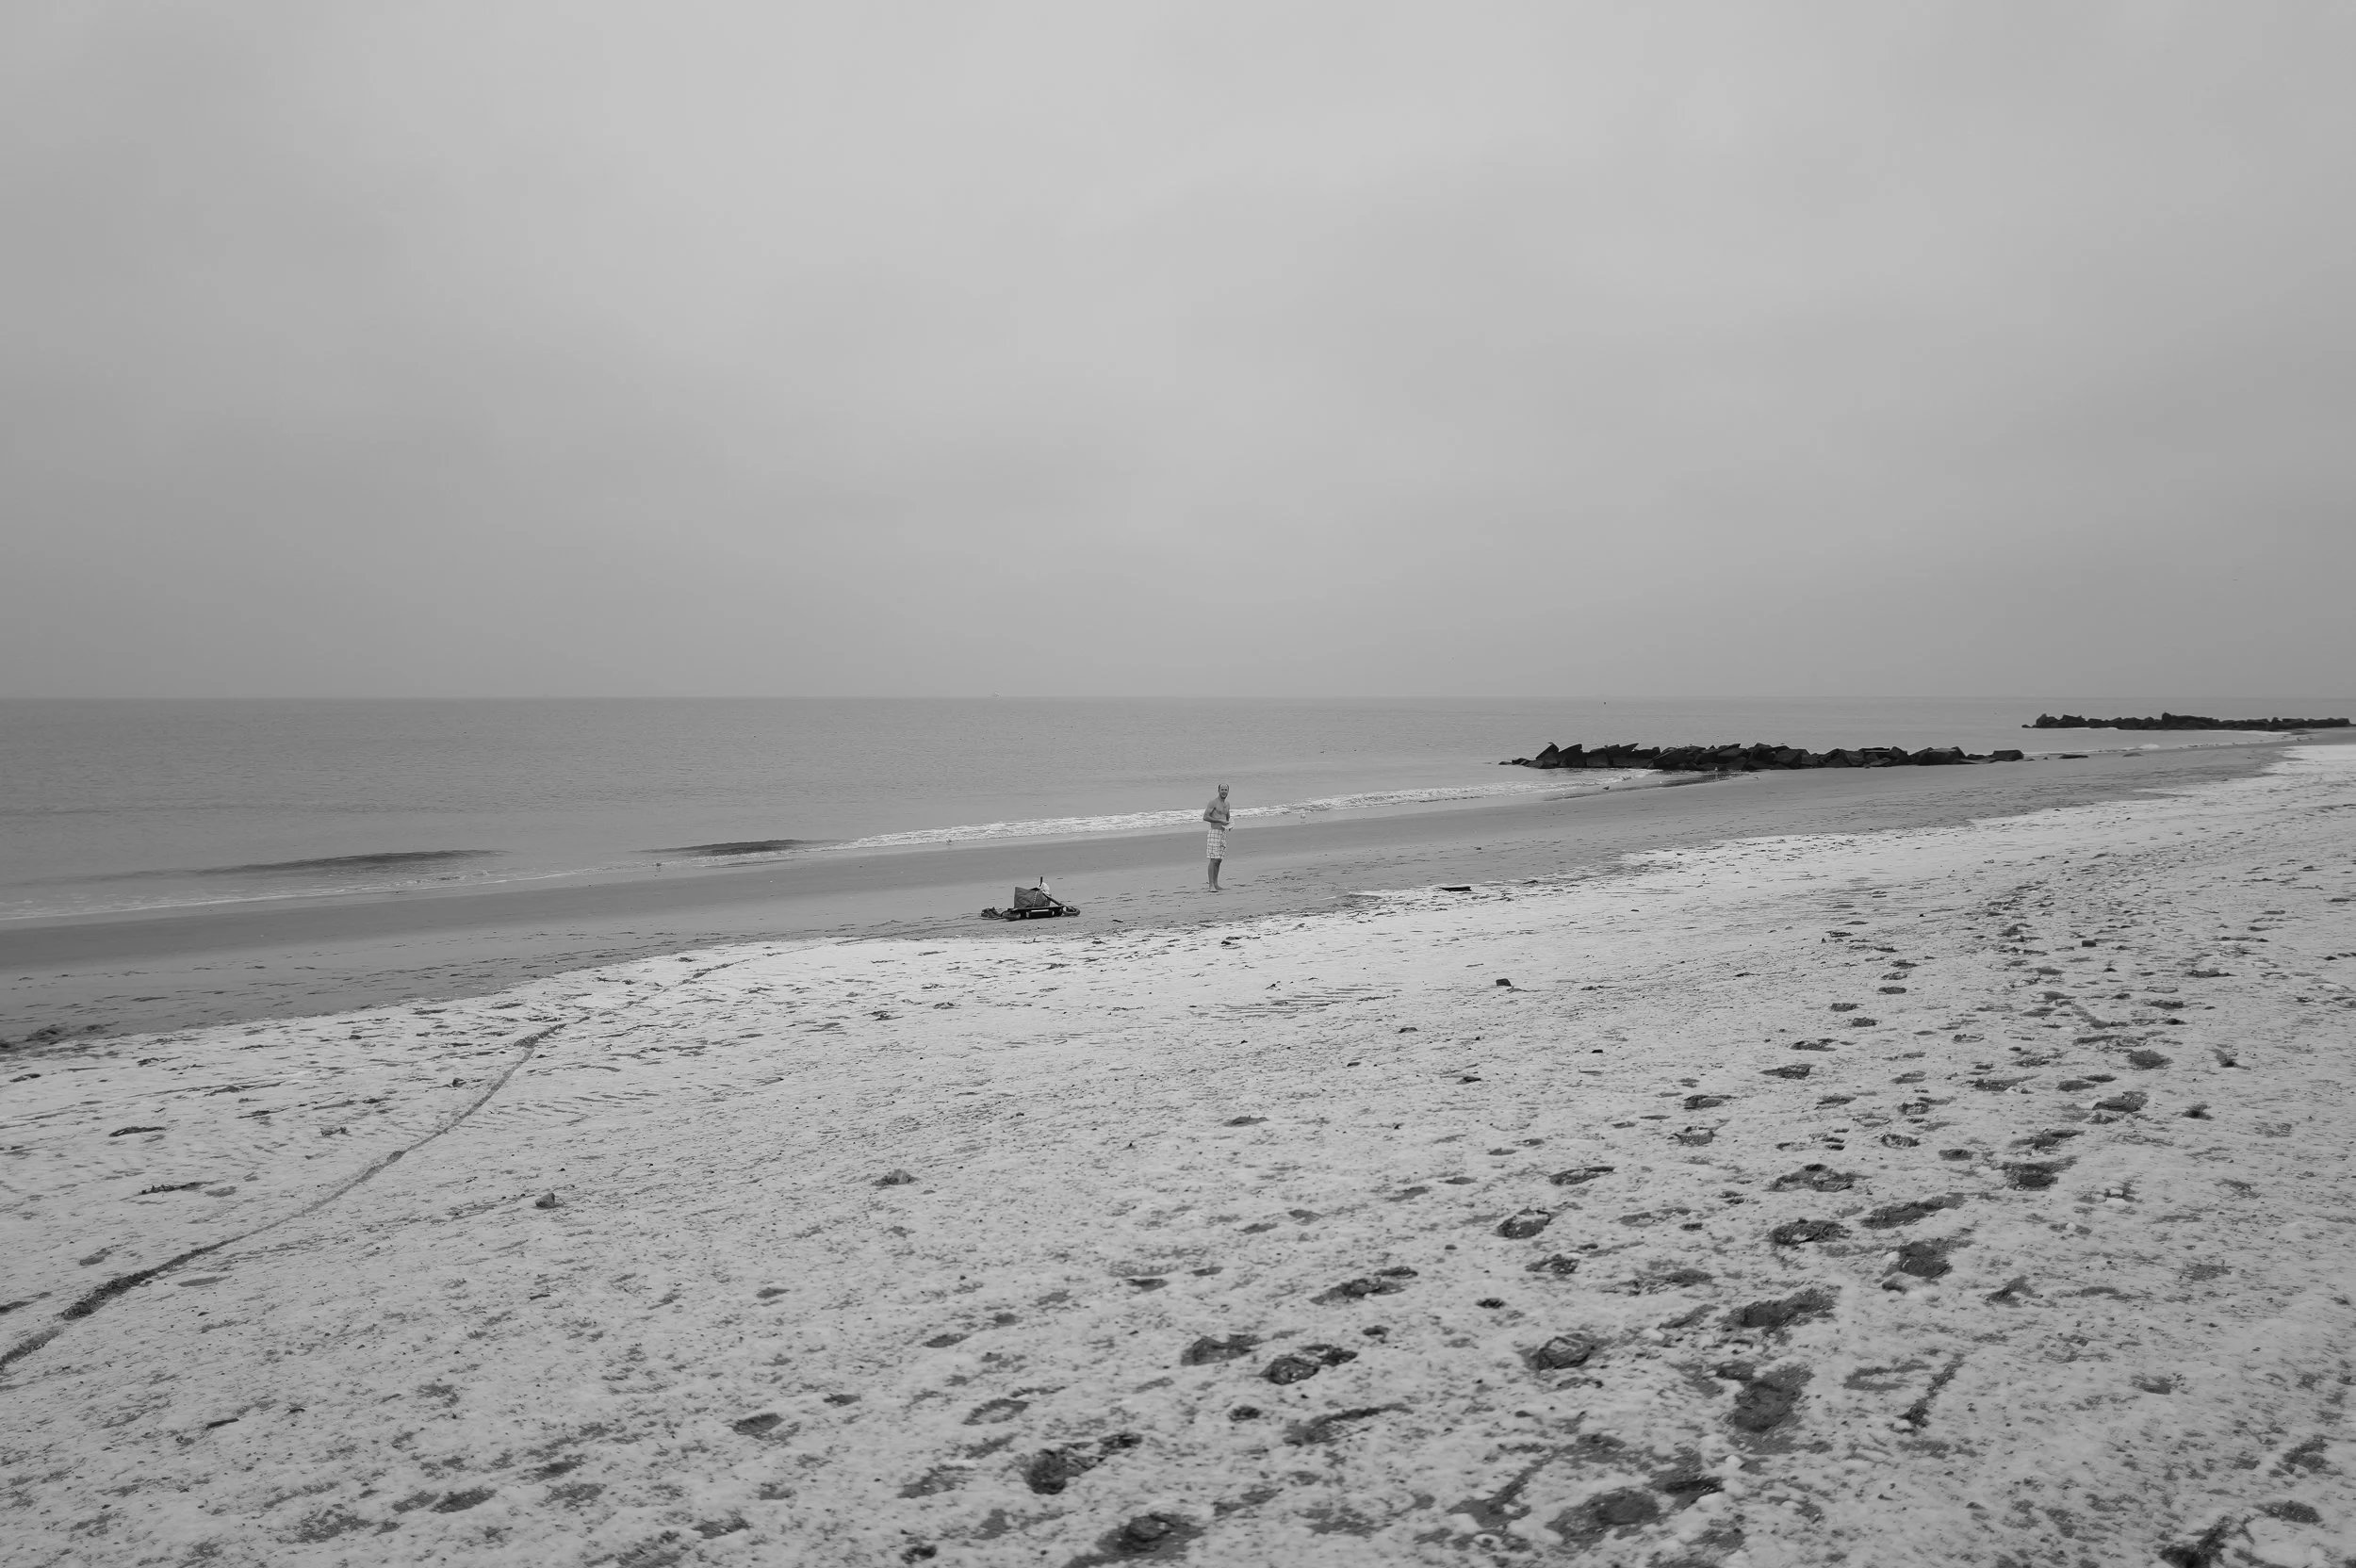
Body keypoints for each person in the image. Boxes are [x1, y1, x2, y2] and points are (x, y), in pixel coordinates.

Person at [1203, 783, 1231, 890]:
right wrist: (1219, 821)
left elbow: (1227, 818)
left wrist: (1230, 825)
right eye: (1222, 789)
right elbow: (1205, 817)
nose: (1224, 791)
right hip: (1214, 832)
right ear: (1218, 790)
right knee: (1213, 859)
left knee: (1219, 860)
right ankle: (1211, 885)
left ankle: (1216, 884)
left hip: (1222, 833)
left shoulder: (1227, 804)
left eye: (1226, 789)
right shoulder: (1213, 802)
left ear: (1228, 791)